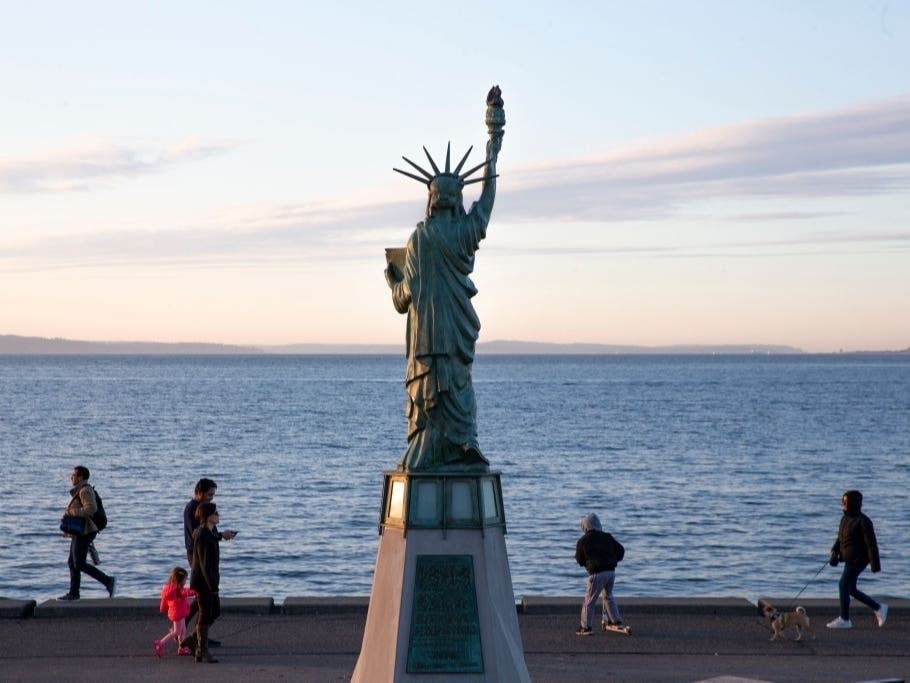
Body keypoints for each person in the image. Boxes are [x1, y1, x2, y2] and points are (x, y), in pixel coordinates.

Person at [385, 86, 504, 472]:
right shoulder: (464, 234)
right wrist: (493, 144)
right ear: (456, 201)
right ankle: (462, 444)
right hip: (454, 335)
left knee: (427, 396)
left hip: (424, 340)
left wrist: (392, 281)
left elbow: (406, 297)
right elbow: (486, 203)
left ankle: (428, 453)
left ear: (431, 200)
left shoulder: (419, 238)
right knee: (459, 388)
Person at [181, 478, 236, 649]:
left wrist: (220, 535)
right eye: (209, 494)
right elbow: (199, 534)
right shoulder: (192, 509)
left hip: (203, 555)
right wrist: (220, 536)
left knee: (204, 602)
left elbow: (208, 532)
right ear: (199, 492)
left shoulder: (204, 509)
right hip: (197, 556)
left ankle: (197, 634)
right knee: (205, 599)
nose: (211, 498)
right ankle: (194, 636)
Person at [827, 490, 888, 629]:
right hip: (848, 558)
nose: (842, 503)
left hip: (859, 560)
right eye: (842, 501)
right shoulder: (845, 519)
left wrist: (875, 565)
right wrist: (834, 549)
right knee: (851, 589)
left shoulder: (864, 521)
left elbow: (872, 544)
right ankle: (878, 608)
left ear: (852, 503)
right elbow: (840, 538)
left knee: (843, 584)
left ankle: (845, 619)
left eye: (845, 501)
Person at [58, 466, 116, 601]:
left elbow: (91, 509)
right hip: (81, 531)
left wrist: (72, 512)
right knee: (72, 562)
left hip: (86, 531)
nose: (71, 477)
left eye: (74, 475)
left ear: (81, 477)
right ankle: (74, 593)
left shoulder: (85, 490)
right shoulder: (81, 490)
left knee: (78, 563)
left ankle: (108, 581)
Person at [574, 512, 625, 635]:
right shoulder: (607, 537)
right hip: (611, 572)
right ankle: (616, 621)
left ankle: (585, 627)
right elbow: (621, 551)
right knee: (608, 596)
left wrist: (587, 564)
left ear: (585, 526)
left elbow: (579, 558)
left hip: (597, 573)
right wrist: (612, 560)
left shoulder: (583, 541)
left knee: (589, 600)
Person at [191, 502, 221, 663]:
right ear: (208, 516)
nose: (218, 515)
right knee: (205, 614)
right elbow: (204, 564)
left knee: (214, 612)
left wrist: (223, 535)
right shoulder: (202, 535)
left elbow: (214, 537)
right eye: (216, 513)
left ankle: (193, 641)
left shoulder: (209, 532)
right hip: (204, 583)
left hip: (209, 581)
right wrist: (212, 586)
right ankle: (202, 650)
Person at [155, 567, 196, 657]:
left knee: (183, 631)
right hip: (178, 614)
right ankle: (160, 643)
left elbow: (164, 601)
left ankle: (181, 648)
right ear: (181, 580)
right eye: (185, 579)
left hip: (177, 613)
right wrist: (196, 591)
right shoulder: (178, 590)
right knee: (176, 632)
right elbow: (187, 592)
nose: (186, 581)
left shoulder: (170, 589)